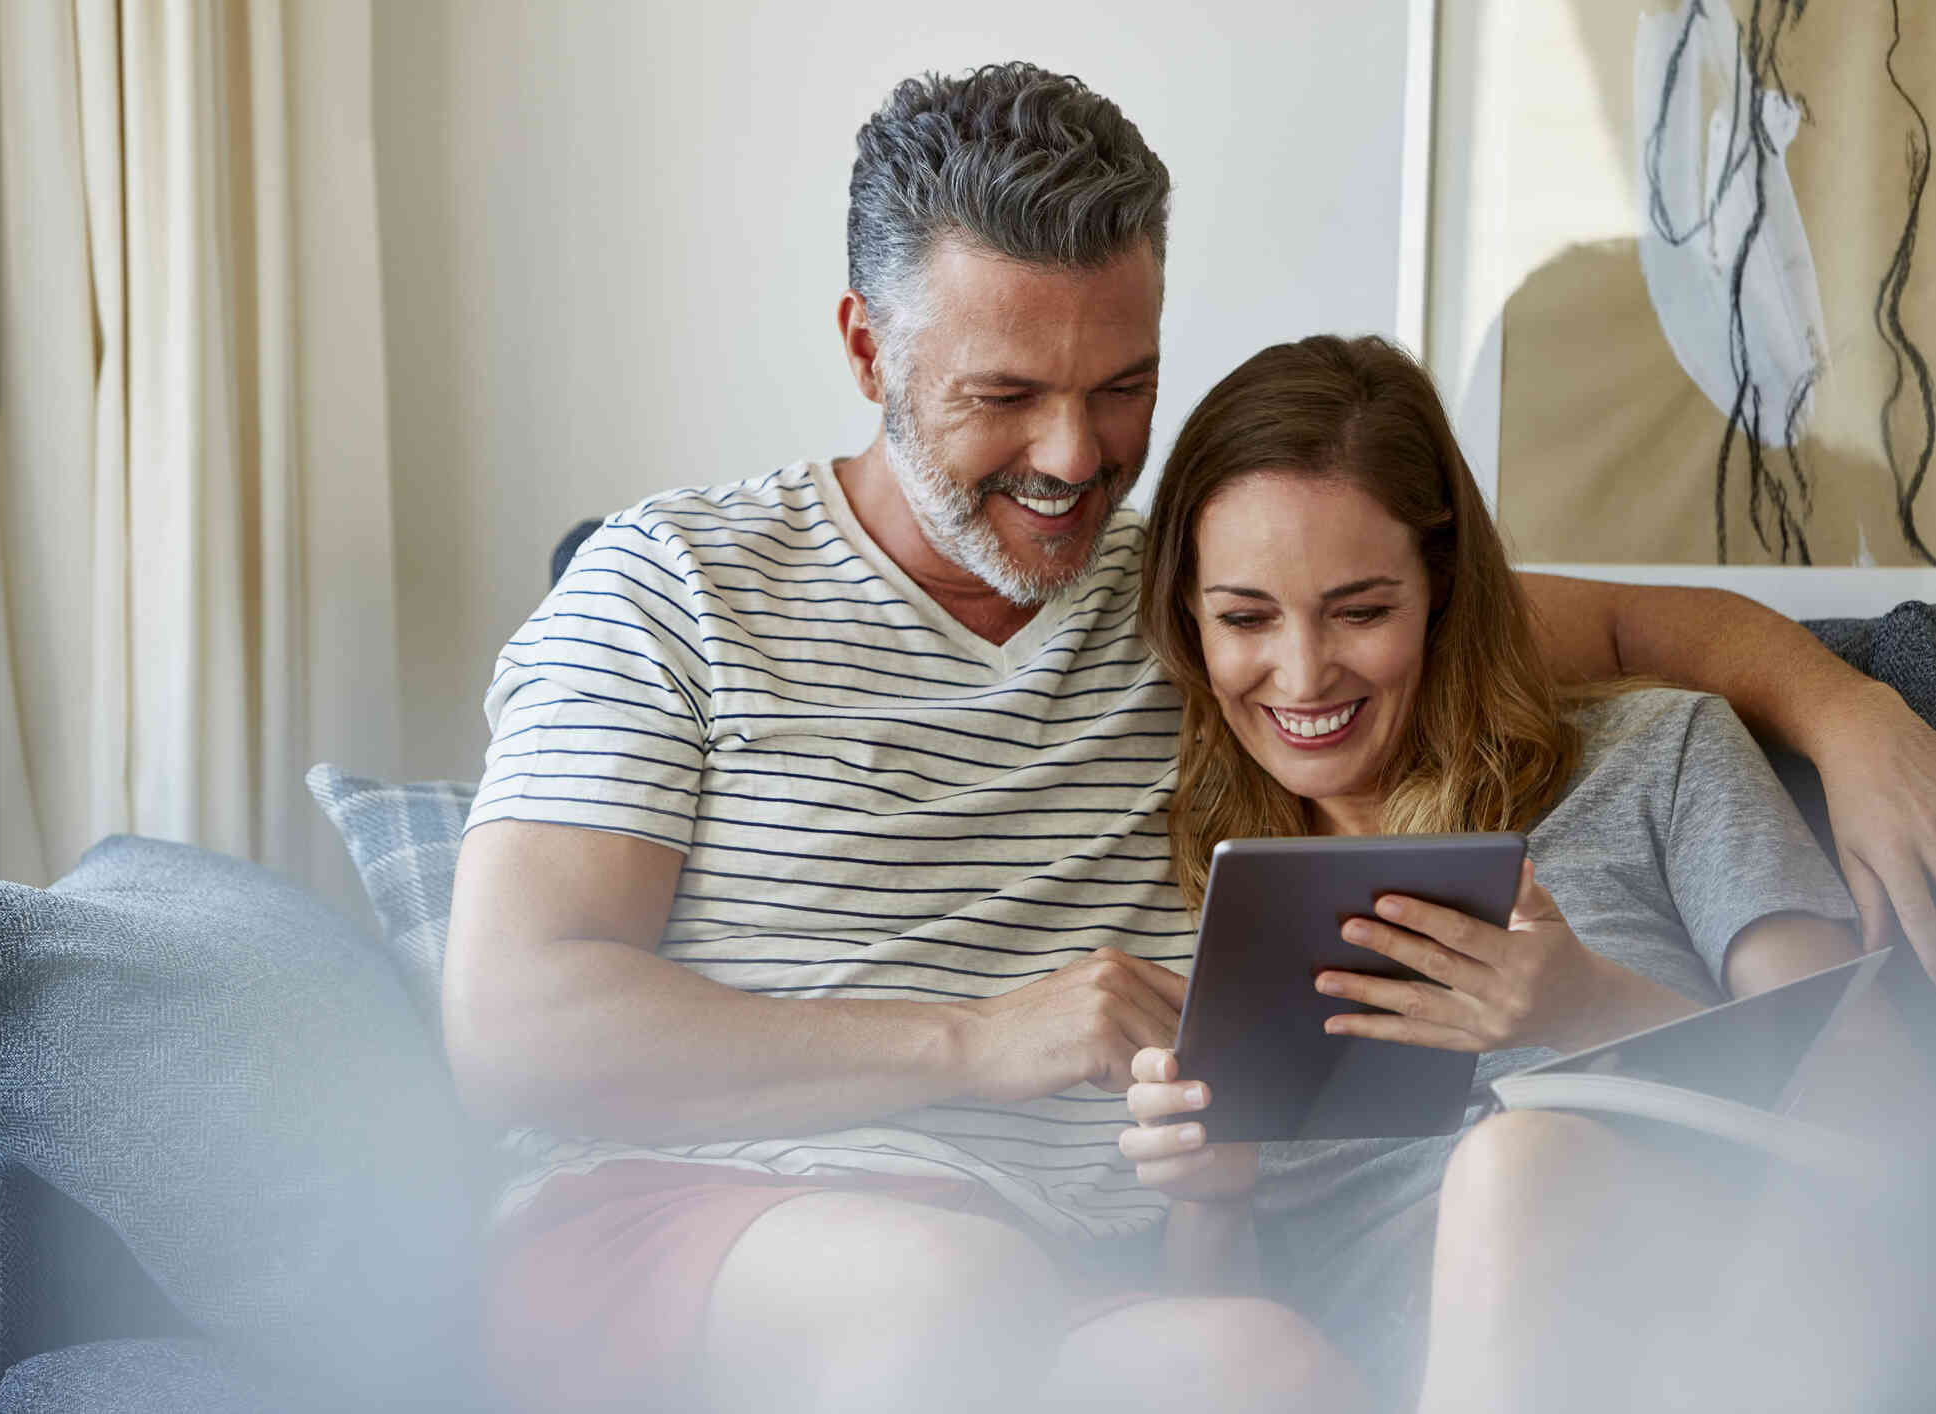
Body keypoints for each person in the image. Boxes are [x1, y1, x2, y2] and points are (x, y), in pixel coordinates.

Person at [447, 62, 1936, 1414]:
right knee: (940, 1295)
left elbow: (1578, 629)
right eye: (1004, 395)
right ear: (864, 346)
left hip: (1066, 1273)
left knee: (1254, 1364)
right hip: (704, 1217)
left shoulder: (1201, 600)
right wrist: (975, 1039)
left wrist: (1847, 708)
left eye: (1122, 389)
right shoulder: (675, 585)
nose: (1072, 457)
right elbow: (516, 1025)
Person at [1122, 331, 1933, 1411]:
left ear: (1444, 587)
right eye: (1245, 618)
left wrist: (1592, 1006)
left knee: (1522, 1164)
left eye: (1362, 610)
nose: (1304, 672)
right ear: (1190, 618)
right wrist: (1210, 1201)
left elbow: (1868, 1102)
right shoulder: (1179, 876)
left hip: (1683, 1323)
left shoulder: (1659, 755)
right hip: (1348, 1373)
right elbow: (1218, 1313)